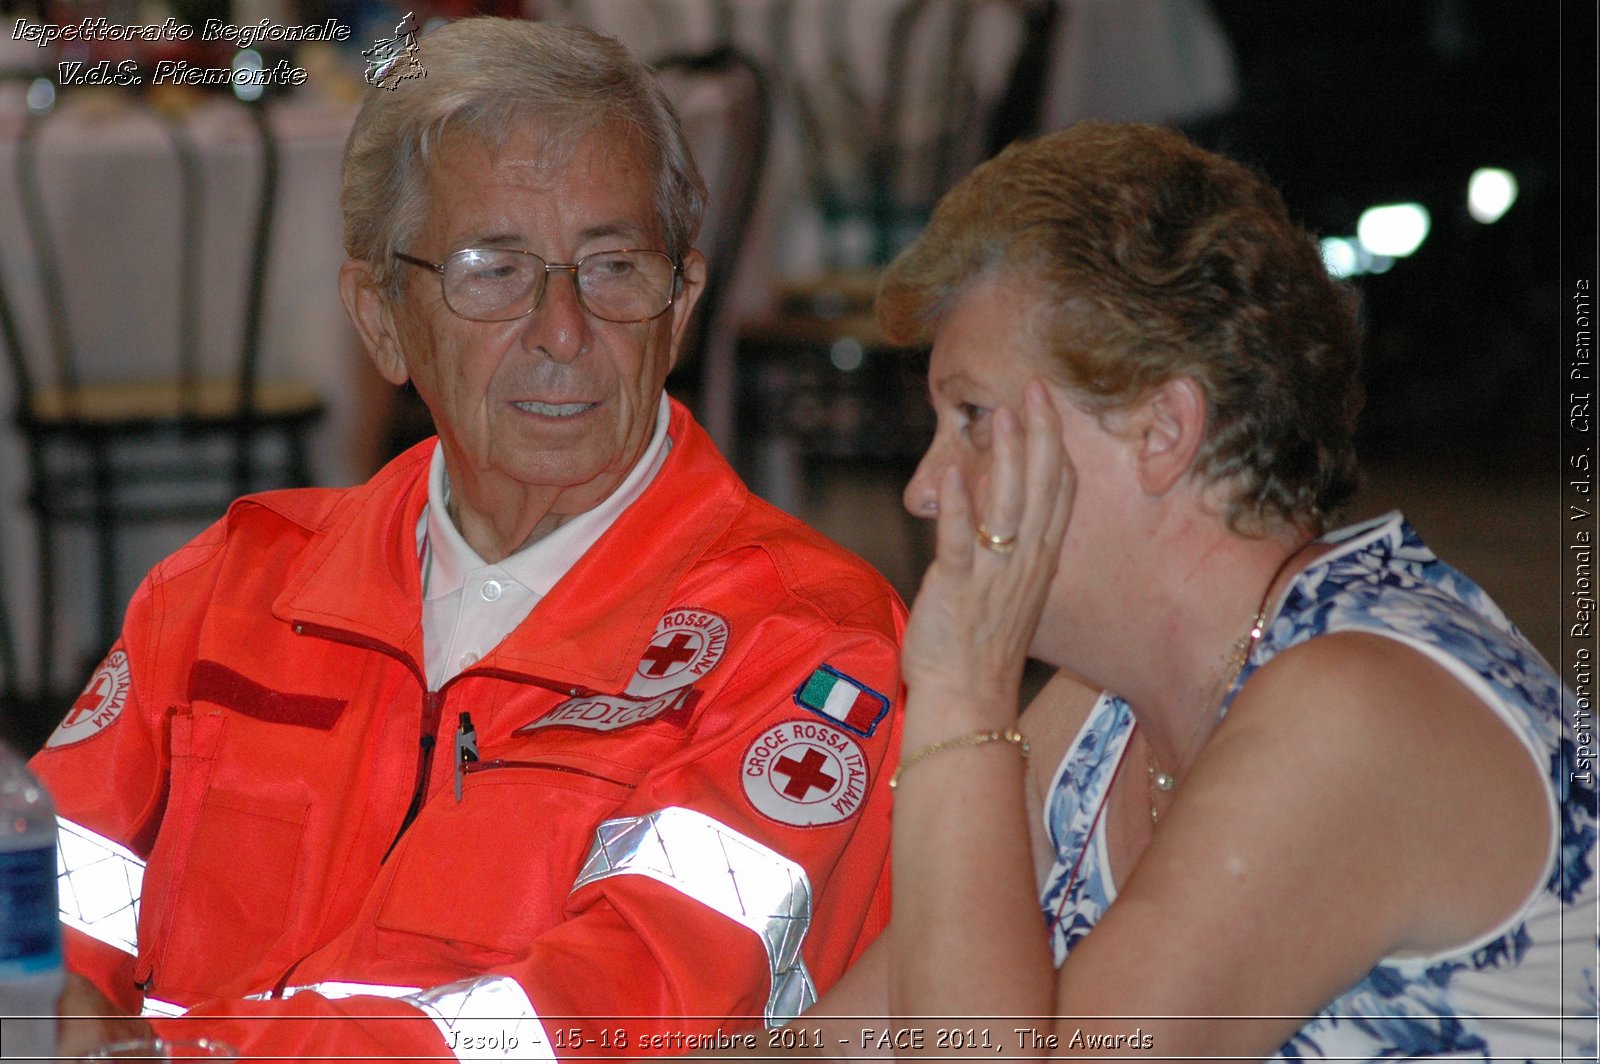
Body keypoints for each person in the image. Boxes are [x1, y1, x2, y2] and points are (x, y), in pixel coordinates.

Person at [33, 18, 904, 1061]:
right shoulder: (230, 593)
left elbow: (614, 1015)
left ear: (679, 311)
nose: (563, 329)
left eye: (614, 265)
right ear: (382, 317)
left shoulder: (805, 649)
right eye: (493, 270)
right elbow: (41, 896)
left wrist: (187, 1053)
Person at [814, 121, 1594, 1059]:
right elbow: (835, 1045)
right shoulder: (1103, 716)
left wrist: (962, 697)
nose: (926, 487)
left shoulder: (1357, 710)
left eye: (973, 418)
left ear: (1161, 429)